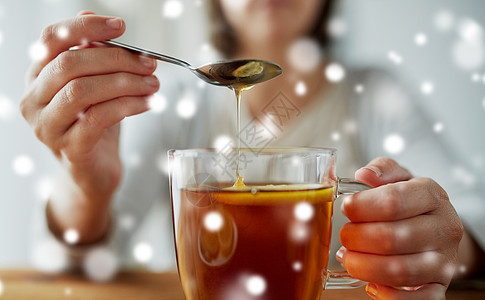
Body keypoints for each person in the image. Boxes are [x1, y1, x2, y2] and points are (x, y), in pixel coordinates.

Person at [20, 0, 484, 298]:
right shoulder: (174, 105)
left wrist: (444, 242)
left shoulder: (375, 96)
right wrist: (86, 185)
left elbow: (472, 218)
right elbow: (71, 266)